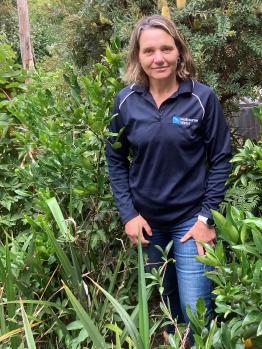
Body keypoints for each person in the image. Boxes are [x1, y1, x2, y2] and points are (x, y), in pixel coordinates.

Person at [106, 14, 231, 344]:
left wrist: (207, 218)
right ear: (138, 56)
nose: (158, 58)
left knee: (197, 314)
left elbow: (220, 159)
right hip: (147, 227)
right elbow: (115, 160)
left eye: (165, 48)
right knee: (165, 309)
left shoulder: (202, 99)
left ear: (179, 51)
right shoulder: (126, 102)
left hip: (191, 224)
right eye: (149, 51)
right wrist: (128, 215)